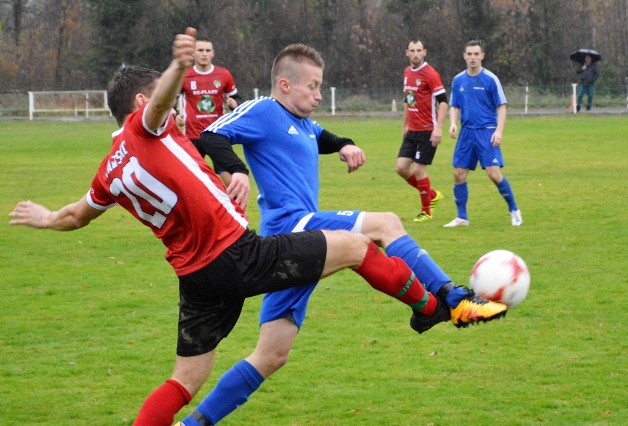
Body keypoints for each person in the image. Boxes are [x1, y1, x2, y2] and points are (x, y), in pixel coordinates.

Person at [8, 29, 454, 426]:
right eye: (172, 102)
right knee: (357, 247)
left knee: (183, 382)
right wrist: (178, 66)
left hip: (195, 281)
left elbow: (77, 215)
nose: (179, 111)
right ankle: (429, 305)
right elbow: (159, 104)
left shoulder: (108, 171)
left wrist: (45, 217)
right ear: (143, 105)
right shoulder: (147, 129)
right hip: (238, 255)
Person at [176, 43, 508, 426]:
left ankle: (193, 424)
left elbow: (321, 137)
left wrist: (345, 144)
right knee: (386, 224)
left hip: (296, 241)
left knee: (271, 356)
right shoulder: (264, 110)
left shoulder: (299, 120)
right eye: (312, 87)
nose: (319, 95)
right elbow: (212, 136)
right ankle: (450, 300)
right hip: (291, 226)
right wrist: (235, 169)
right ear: (284, 84)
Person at [445, 40, 522, 228]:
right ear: (464, 56)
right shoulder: (458, 80)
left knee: (494, 174)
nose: (472, 57)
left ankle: (514, 209)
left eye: (476, 54)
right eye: (469, 54)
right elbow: (454, 105)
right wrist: (453, 123)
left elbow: (501, 106)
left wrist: (499, 131)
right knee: (458, 173)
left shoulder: (490, 79)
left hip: (487, 132)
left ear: (482, 56)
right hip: (467, 133)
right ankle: (462, 217)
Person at [176, 38, 242, 185]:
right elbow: (171, 100)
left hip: (216, 134)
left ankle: (235, 207)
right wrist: (176, 116)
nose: (204, 54)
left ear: (213, 53)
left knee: (231, 181)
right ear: (193, 54)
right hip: (192, 136)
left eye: (207, 50)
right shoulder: (185, 76)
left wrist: (234, 104)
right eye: (200, 50)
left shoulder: (223, 75)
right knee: (189, 182)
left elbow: (236, 99)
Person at [396, 39, 448, 222]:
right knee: (401, 168)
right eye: (412, 50)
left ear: (424, 52)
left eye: (419, 50)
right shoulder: (407, 72)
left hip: (428, 130)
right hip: (413, 131)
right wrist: (405, 125)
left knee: (419, 170)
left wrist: (438, 129)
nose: (416, 53)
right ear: (407, 53)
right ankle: (432, 195)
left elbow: (444, 102)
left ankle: (426, 211)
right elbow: (408, 100)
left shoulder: (430, 74)